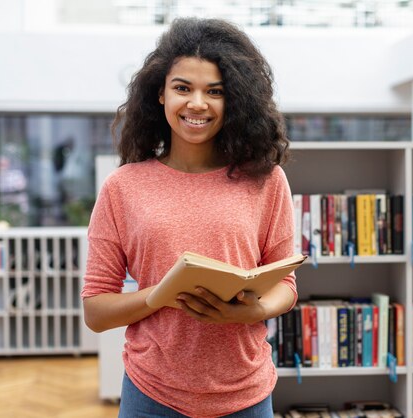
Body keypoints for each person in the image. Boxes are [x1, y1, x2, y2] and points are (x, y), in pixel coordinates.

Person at [81, 17, 297, 418]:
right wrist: (158, 296)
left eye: (214, 92)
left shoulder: (266, 180)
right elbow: (95, 312)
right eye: (182, 88)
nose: (197, 103)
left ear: (233, 100)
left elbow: (285, 282)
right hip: (151, 396)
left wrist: (256, 311)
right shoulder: (122, 187)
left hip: (246, 395)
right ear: (160, 95)